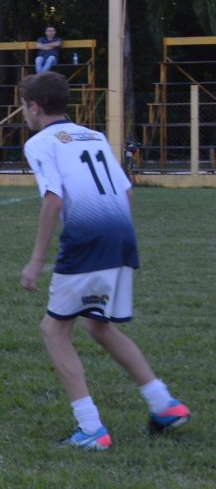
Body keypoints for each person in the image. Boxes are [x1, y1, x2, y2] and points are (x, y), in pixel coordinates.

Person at [17, 71, 189, 448]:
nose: (23, 113)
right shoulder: (93, 136)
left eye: (24, 106)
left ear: (35, 107)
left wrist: (35, 261)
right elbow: (127, 194)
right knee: (99, 326)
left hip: (88, 239)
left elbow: (54, 200)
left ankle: (91, 429)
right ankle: (164, 404)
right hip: (121, 236)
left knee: (54, 330)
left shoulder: (40, 143)